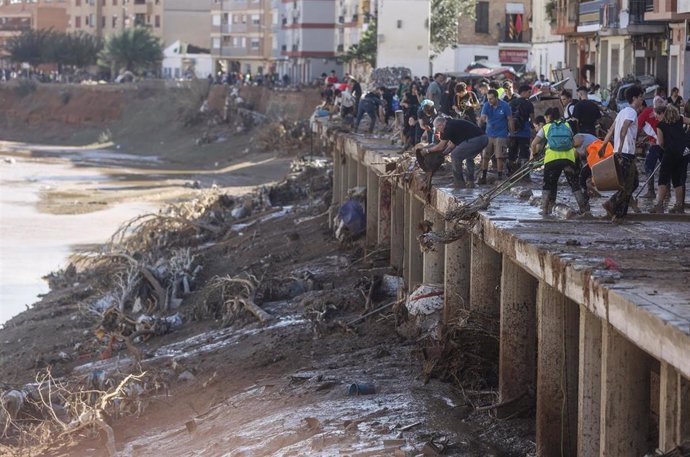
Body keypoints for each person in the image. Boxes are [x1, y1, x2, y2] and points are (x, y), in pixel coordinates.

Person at [530, 107, 589, 215]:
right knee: (574, 184)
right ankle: (584, 209)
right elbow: (572, 141)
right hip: (568, 159)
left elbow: (534, 143)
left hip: (552, 160)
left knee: (549, 183)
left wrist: (534, 156)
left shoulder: (546, 127)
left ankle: (545, 209)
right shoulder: (567, 125)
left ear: (548, 117)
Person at [599, 85, 645, 220]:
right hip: (624, 154)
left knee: (633, 183)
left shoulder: (622, 111)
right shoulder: (631, 112)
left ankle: (620, 213)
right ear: (634, 98)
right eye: (641, 97)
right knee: (627, 185)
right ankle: (612, 206)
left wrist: (604, 146)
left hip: (622, 152)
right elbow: (623, 129)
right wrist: (619, 150)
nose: (642, 100)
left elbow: (611, 130)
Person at [420, 117, 489, 188]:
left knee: (455, 155)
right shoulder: (451, 124)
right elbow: (452, 145)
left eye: (437, 128)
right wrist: (443, 154)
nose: (438, 131)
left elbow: (441, 146)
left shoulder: (448, 127)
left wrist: (427, 150)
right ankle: (470, 181)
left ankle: (459, 182)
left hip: (478, 139)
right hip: (483, 138)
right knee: (469, 157)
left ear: (440, 125)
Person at [651, 104, 690, 213]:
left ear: (663, 113)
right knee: (677, 180)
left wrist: (666, 149)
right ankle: (679, 205)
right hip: (682, 154)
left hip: (670, 153)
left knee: (663, 178)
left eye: (657, 115)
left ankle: (659, 205)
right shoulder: (680, 119)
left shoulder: (660, 125)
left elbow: (661, 143)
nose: (656, 117)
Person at [478, 89, 514, 183]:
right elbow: (483, 117)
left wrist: (512, 133)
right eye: (488, 98)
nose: (489, 100)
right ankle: (483, 176)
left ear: (496, 97)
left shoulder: (505, 105)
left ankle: (500, 176)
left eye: (491, 99)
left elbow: (510, 119)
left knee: (500, 156)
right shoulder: (486, 105)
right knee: (485, 156)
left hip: (501, 134)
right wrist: (480, 124)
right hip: (489, 133)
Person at [637, 98, 665, 199]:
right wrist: (644, 139)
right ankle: (667, 192)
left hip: (657, 144)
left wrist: (633, 142)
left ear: (641, 106)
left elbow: (637, 129)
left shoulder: (644, 113)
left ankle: (651, 191)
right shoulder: (651, 111)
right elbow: (652, 128)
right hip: (663, 142)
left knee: (648, 165)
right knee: (665, 165)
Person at [507, 84, 535, 177]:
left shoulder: (512, 102)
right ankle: (524, 175)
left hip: (512, 133)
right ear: (524, 92)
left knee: (512, 153)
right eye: (529, 92)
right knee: (524, 154)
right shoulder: (529, 104)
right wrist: (533, 128)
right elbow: (532, 119)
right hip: (524, 133)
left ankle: (511, 173)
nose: (530, 94)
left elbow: (508, 117)